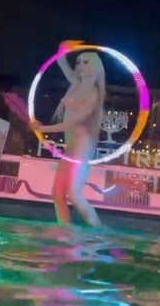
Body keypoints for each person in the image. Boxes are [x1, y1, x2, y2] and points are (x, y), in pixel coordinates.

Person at [30, 41, 105, 227]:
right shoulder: (75, 84)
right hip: (70, 146)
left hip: (83, 145)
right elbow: (61, 62)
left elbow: (73, 122)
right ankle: (66, 230)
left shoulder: (94, 94)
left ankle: (99, 231)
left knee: (74, 194)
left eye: (85, 62)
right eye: (78, 62)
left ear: (95, 66)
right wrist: (62, 50)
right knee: (57, 193)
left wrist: (43, 129)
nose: (80, 65)